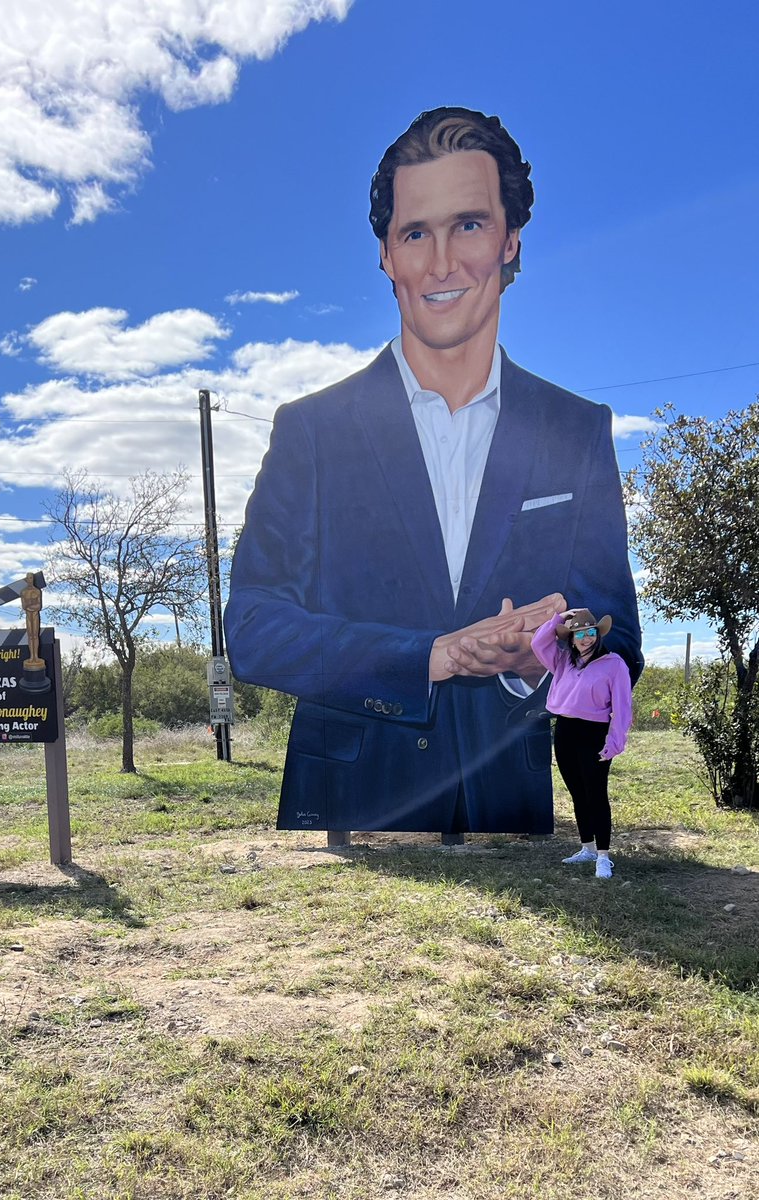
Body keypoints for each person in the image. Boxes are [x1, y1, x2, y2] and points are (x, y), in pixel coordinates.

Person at [225, 106, 642, 837]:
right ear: (386, 254)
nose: (441, 261)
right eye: (416, 232)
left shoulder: (576, 431)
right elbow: (255, 628)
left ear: (511, 241)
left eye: (469, 225)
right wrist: (432, 656)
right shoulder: (311, 430)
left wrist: (545, 655)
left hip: (507, 812)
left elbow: (617, 640)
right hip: (351, 823)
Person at [531, 607, 633, 878]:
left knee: (596, 793)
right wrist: (557, 619)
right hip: (565, 730)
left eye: (590, 633)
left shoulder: (614, 664)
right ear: (571, 638)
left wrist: (615, 741)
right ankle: (586, 848)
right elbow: (537, 643)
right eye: (579, 634)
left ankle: (603, 856)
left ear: (597, 635)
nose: (586, 638)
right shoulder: (563, 661)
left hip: (594, 733)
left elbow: (622, 707)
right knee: (577, 791)